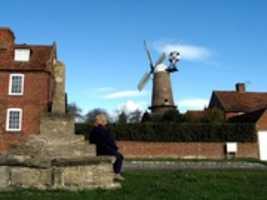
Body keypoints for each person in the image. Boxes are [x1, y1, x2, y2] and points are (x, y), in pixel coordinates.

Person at [89, 114, 125, 181]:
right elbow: (109, 141)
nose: (106, 121)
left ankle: (115, 172)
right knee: (119, 156)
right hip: (103, 149)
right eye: (105, 120)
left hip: (98, 150)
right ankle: (116, 173)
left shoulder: (94, 130)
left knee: (118, 155)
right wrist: (115, 148)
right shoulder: (103, 130)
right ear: (102, 121)